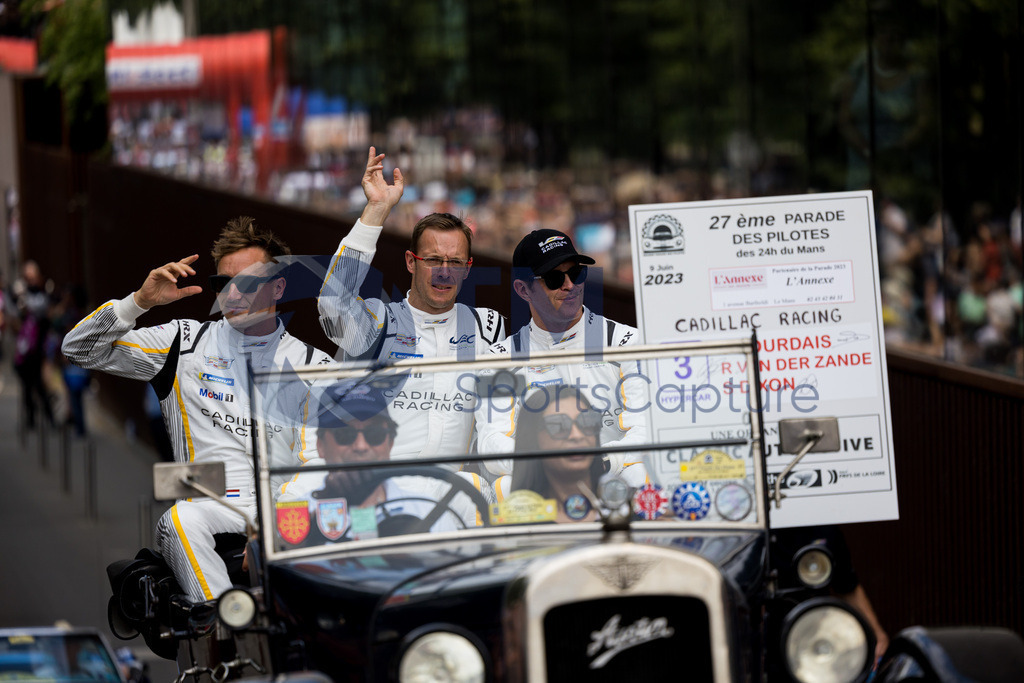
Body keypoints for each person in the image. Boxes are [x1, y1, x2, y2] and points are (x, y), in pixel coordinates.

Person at [61, 216, 332, 604]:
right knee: (176, 520)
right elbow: (79, 349)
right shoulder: (183, 341)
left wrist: (275, 525)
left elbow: (319, 465)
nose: (234, 295)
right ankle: (225, 622)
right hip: (211, 506)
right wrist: (139, 302)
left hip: (286, 511)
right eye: (224, 284)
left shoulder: (315, 366)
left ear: (278, 286)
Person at [317, 147, 505, 462]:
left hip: (455, 490)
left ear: (468, 268)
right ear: (410, 262)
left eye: (455, 262)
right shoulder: (378, 322)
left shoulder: (488, 326)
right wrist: (376, 209)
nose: (445, 272)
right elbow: (333, 302)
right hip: (381, 486)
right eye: (432, 260)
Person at [477, 229, 648, 479]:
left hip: (612, 480)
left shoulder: (628, 342)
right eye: (554, 278)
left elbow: (645, 429)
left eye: (577, 273)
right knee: (504, 486)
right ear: (523, 290)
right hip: (542, 486)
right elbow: (491, 442)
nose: (570, 285)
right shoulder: (497, 360)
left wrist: (599, 463)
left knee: (638, 474)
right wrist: (552, 465)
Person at [278, 381, 490, 541]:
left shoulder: (424, 507)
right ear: (321, 445)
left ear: (389, 443)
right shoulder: (298, 510)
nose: (361, 446)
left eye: (374, 434)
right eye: (345, 435)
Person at [495, 386, 608, 523]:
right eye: (558, 426)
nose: (577, 435)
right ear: (533, 440)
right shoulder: (516, 522)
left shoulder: (630, 508)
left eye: (587, 422)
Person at [12, 260, 55, 429]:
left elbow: (44, 312)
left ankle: (50, 418)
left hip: (40, 350)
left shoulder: (44, 295)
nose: (30, 282)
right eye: (27, 278)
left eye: (32, 278)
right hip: (25, 351)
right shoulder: (20, 297)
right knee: (27, 387)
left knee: (42, 385)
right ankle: (31, 421)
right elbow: (14, 320)